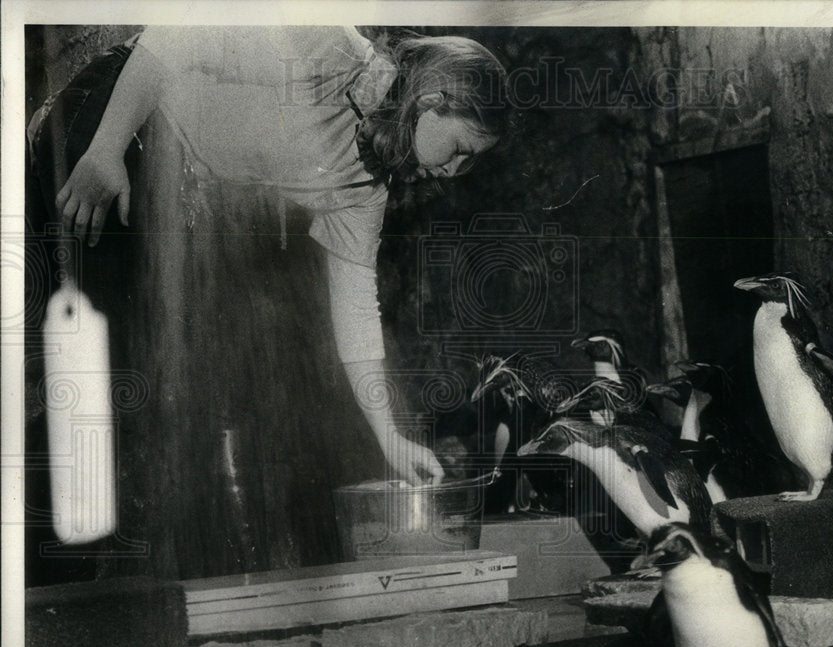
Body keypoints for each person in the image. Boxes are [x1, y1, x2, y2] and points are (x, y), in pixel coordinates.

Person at [26, 26, 511, 579]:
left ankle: (143, 573)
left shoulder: (365, 187)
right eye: (459, 151)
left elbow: (356, 313)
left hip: (174, 167)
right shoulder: (333, 47)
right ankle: (54, 577)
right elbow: (172, 37)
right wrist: (105, 149)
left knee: (174, 375)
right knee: (126, 366)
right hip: (116, 109)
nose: (452, 173)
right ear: (431, 101)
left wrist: (389, 438)